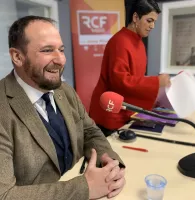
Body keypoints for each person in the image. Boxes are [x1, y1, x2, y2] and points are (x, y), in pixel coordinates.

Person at [0, 16, 125, 200]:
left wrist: (111, 165)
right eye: (47, 50)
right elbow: (4, 195)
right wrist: (84, 188)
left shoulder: (64, 90)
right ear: (17, 57)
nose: (60, 60)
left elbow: (90, 131)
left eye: (61, 49)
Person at [89, 0, 171, 134]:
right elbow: (119, 81)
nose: (152, 26)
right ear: (135, 18)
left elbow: (135, 77)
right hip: (111, 114)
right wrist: (155, 82)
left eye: (154, 22)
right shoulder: (119, 42)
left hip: (127, 110)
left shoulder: (138, 42)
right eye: (149, 20)